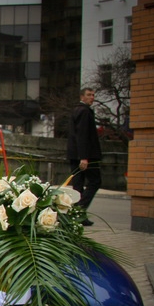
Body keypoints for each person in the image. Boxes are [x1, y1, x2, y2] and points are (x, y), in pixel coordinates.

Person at [67, 87, 102, 226]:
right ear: (82, 96)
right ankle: (78, 211)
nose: (92, 97)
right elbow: (82, 135)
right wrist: (84, 157)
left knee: (78, 185)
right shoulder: (84, 111)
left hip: (75, 154)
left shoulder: (77, 110)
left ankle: (78, 215)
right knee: (95, 181)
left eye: (93, 95)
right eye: (89, 95)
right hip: (86, 155)